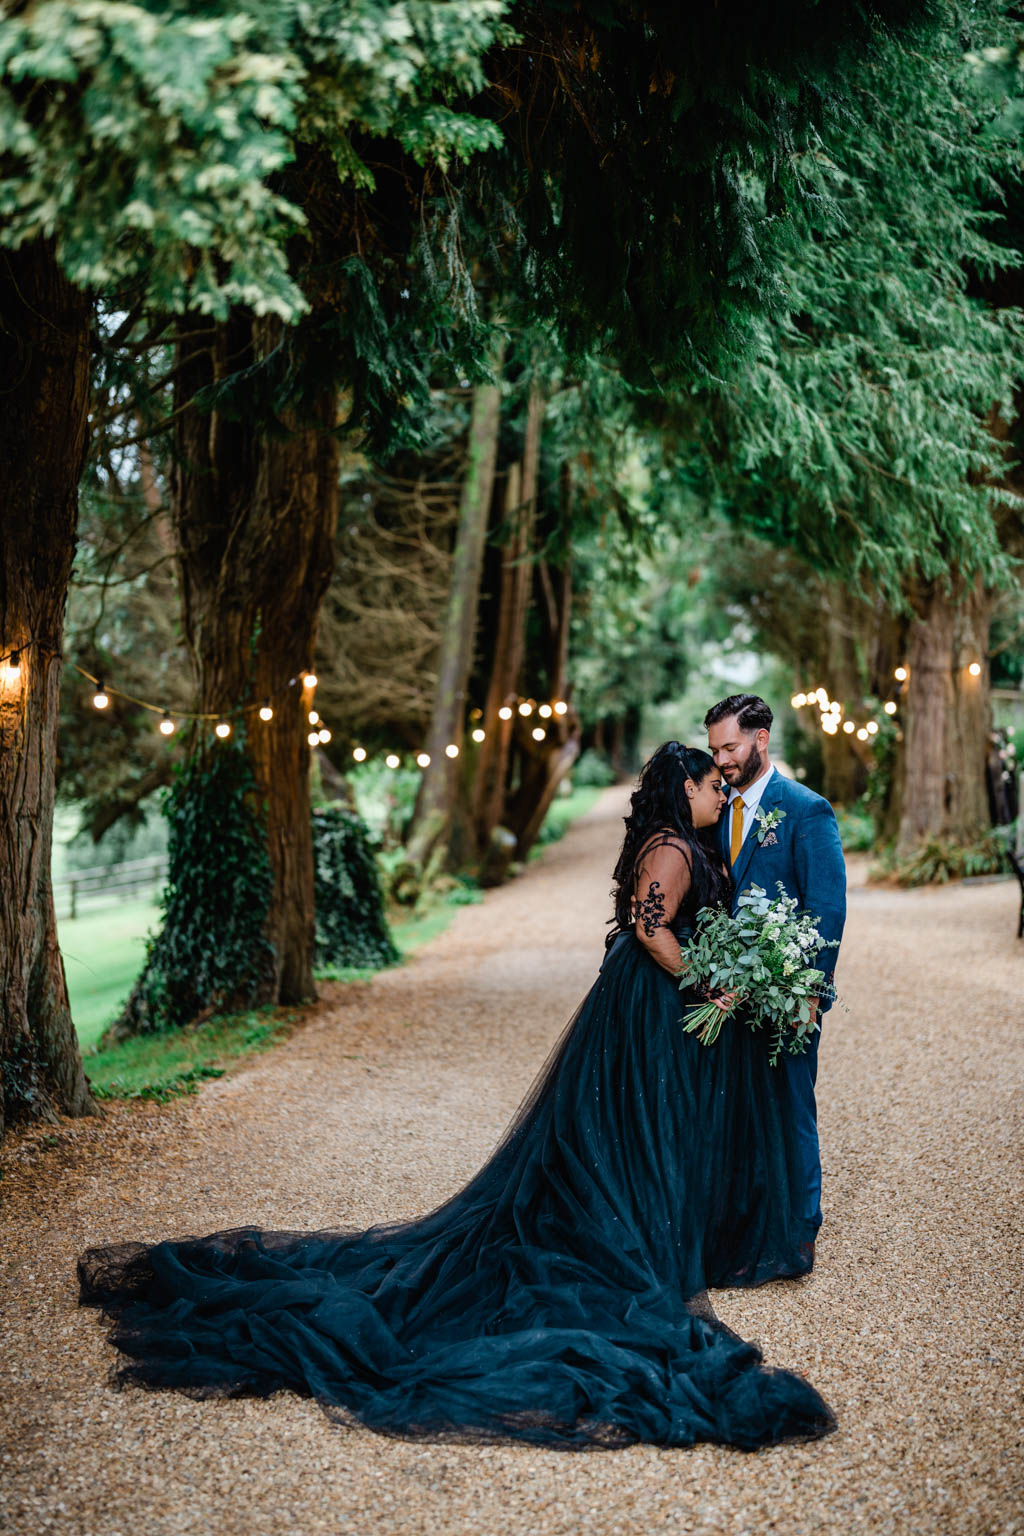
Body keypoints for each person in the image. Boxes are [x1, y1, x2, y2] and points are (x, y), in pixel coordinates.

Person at [79, 743, 834, 1452]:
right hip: (645, 1007)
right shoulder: (669, 847)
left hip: (650, 1006)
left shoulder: (681, 843)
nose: (718, 793)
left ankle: (656, 1226)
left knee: (646, 1131)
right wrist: (705, 980)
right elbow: (647, 926)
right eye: (710, 784)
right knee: (635, 1126)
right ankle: (631, 1233)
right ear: (685, 789)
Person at [705, 695, 847, 1249]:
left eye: (731, 747)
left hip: (789, 991)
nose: (722, 760)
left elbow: (827, 909)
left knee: (789, 1105)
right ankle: (748, 1223)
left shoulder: (806, 809)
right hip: (728, 989)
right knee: (736, 1106)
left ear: (761, 739)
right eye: (715, 749)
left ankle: (798, 1229)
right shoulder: (717, 808)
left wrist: (810, 990)